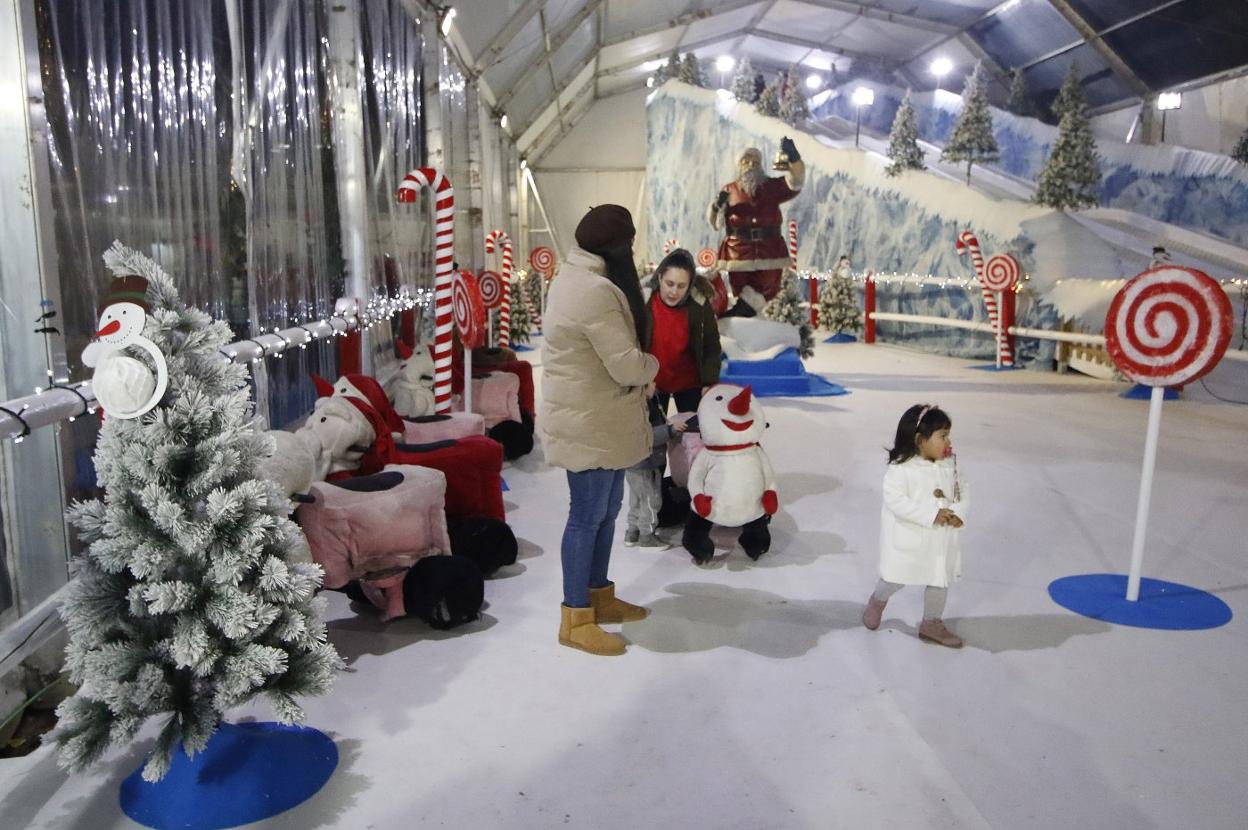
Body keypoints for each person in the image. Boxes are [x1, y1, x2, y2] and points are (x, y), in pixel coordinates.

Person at [539, 204, 659, 656]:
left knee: (606, 511)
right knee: (587, 515)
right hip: (587, 421)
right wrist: (653, 366)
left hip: (598, 418)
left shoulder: (578, 277)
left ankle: (598, 598)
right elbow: (627, 365)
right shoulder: (593, 290)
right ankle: (575, 617)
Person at [862, 404, 970, 648]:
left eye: (948, 435)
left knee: (939, 579)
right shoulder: (901, 469)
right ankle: (878, 601)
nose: (948, 441)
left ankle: (931, 623)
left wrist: (958, 513)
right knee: (895, 578)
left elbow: (961, 490)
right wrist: (932, 514)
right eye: (942, 436)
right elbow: (895, 501)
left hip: (941, 540)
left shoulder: (949, 464)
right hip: (910, 538)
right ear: (920, 440)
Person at [706, 138, 805, 317]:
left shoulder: (771, 187)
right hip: (738, 252)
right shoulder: (729, 190)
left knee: (766, 288)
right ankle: (742, 321)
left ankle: (742, 317)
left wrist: (794, 159)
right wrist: (716, 207)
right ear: (739, 165)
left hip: (769, 251)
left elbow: (795, 183)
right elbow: (715, 222)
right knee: (741, 291)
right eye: (746, 161)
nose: (751, 165)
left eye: (755, 162)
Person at [643, 248, 722, 415]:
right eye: (669, 283)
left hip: (689, 382)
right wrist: (640, 381)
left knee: (693, 436)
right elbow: (632, 343)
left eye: (681, 286)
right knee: (654, 437)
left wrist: (709, 381)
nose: (674, 292)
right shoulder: (645, 301)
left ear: (690, 284)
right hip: (652, 382)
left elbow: (711, 344)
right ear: (659, 278)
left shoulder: (699, 304)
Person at [624, 396, 686, 551]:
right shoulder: (640, 406)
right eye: (652, 382)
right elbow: (646, 435)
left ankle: (633, 532)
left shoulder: (642, 403)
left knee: (637, 498)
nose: (655, 384)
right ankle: (647, 536)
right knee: (652, 500)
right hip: (646, 463)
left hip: (636, 462)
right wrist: (670, 430)